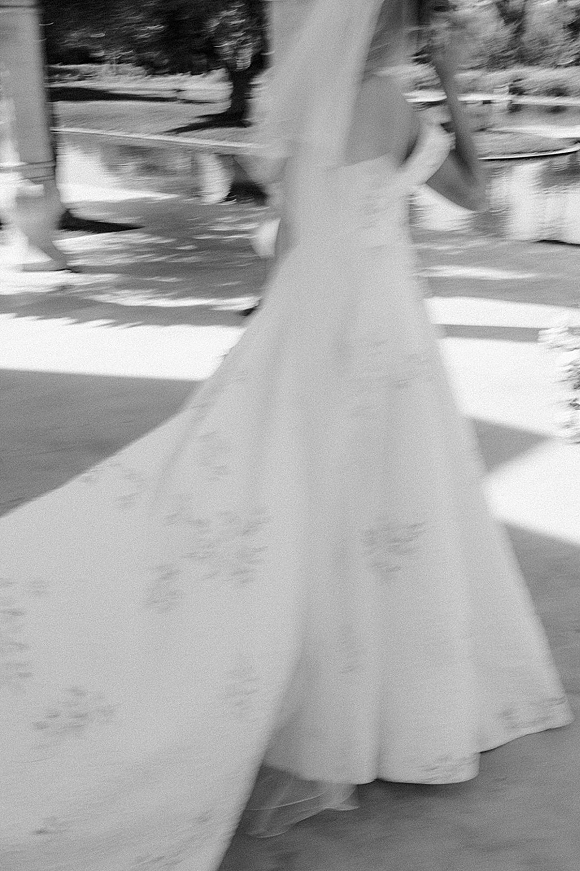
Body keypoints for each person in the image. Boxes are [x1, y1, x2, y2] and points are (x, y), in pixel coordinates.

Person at [0, 1, 572, 869]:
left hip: (308, 322)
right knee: (388, 506)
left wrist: (265, 332)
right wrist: (454, 82)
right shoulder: (390, 103)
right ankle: (387, 713)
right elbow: (481, 200)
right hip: (382, 333)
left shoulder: (301, 108)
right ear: (386, 30)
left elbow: (291, 240)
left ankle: (340, 701)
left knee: (302, 500)